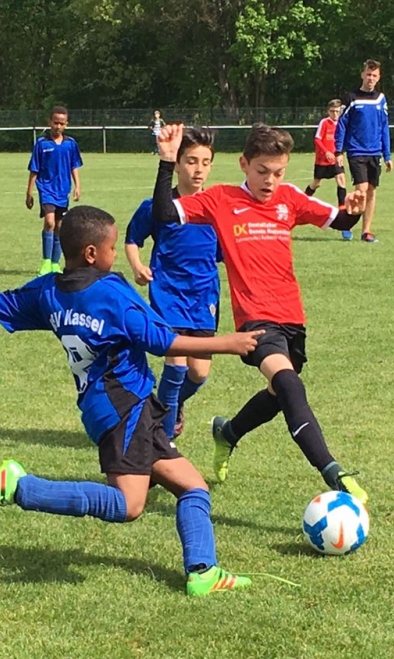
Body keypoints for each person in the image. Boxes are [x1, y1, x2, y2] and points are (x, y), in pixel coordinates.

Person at [0, 205, 264, 597]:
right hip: (125, 408)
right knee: (129, 505)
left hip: (111, 408)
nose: (115, 255)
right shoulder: (111, 293)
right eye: (112, 248)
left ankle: (203, 570)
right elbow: (162, 341)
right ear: (91, 253)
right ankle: (20, 487)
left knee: (192, 487)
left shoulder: (48, 291)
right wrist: (228, 343)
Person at [152, 122, 370, 505]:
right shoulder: (221, 199)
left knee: (278, 393)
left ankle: (228, 432)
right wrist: (167, 162)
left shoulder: (290, 199)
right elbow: (165, 213)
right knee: (289, 385)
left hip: (292, 318)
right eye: (262, 171)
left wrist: (353, 211)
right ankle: (333, 471)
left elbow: (338, 220)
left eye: (278, 172)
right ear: (244, 164)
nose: (270, 181)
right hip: (256, 321)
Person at [124, 126, 221, 440]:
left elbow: (225, 253)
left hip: (204, 297)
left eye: (205, 162)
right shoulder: (158, 205)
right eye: (191, 161)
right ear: (177, 164)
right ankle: (163, 441)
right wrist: (138, 266)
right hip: (168, 293)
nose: (198, 169)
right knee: (176, 366)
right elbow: (132, 238)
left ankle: (166, 405)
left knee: (199, 373)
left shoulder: (216, 208)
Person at [335, 59, 392, 243]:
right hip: (356, 151)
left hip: (375, 152)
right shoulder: (351, 98)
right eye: (368, 74)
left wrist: (387, 154)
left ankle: (366, 231)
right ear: (362, 75)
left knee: (371, 191)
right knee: (361, 191)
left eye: (374, 75)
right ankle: (346, 224)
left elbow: (384, 127)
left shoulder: (380, 99)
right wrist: (338, 151)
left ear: (378, 77)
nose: (371, 78)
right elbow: (341, 125)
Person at [26, 106, 82, 275]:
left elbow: (74, 166)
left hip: (62, 190)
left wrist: (77, 186)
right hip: (46, 189)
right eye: (55, 122)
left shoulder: (70, 144)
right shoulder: (41, 143)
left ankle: (55, 263)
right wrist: (29, 192)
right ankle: (46, 262)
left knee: (59, 226)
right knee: (49, 222)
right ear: (49, 122)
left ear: (66, 124)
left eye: (61, 123)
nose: (58, 126)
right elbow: (34, 169)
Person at [306, 100, 349, 239]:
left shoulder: (343, 123)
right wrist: (326, 152)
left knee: (341, 180)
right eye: (332, 111)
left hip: (336, 158)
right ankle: (302, 201)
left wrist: (340, 152)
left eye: (337, 111)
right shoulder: (324, 123)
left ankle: (343, 215)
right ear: (328, 111)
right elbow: (317, 139)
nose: (335, 114)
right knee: (316, 183)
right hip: (322, 160)